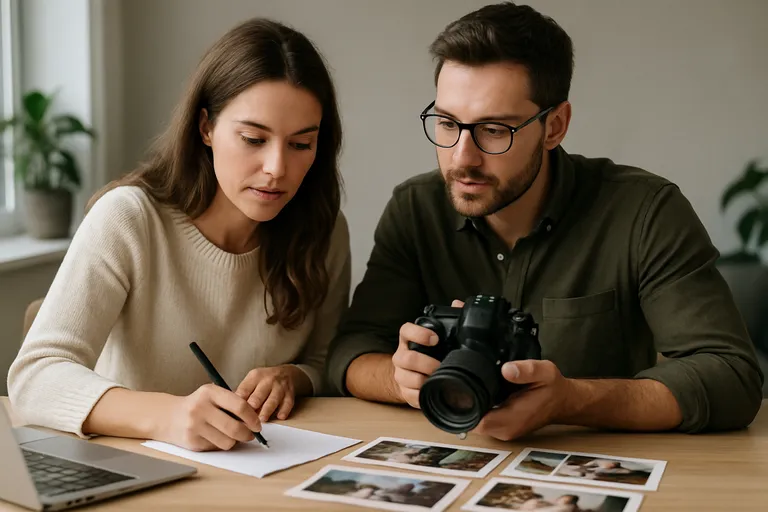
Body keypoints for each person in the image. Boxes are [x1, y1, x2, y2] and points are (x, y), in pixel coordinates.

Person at [326, 1, 764, 440]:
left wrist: (570, 400)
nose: (462, 157)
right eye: (446, 123)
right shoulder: (415, 208)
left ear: (554, 126)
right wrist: (400, 379)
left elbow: (732, 377)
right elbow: (351, 351)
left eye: (494, 130)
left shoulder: (645, 211)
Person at [8, 18, 351, 452]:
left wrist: (294, 377)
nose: (277, 168)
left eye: (301, 144)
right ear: (205, 127)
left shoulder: (324, 231)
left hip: (257, 476)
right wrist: (169, 416)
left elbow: (326, 361)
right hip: (130, 468)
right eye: (252, 138)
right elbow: (35, 375)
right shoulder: (129, 219)